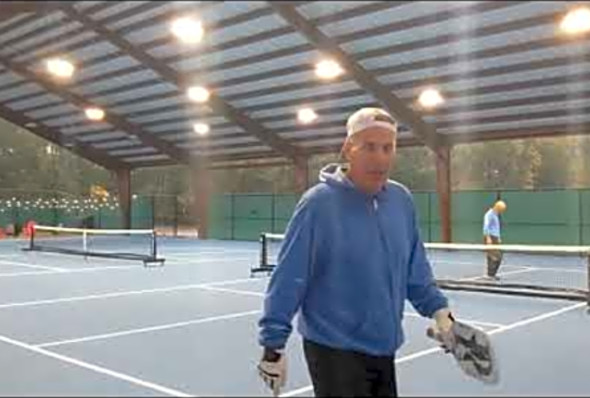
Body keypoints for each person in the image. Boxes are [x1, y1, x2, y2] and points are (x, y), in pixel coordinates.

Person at [257, 107, 456, 397]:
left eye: (388, 148)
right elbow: (289, 277)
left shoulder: (401, 201)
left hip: (384, 347)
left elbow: (415, 268)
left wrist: (440, 311)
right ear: (349, 148)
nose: (380, 157)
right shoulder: (317, 205)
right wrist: (272, 346)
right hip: (333, 350)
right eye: (370, 147)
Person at [482, 200, 507, 280]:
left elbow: (496, 227)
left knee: (498, 256)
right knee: (493, 256)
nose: (501, 211)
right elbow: (486, 226)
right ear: (497, 207)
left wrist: (498, 237)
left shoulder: (496, 215)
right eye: (501, 209)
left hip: (495, 238)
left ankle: (492, 274)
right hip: (490, 238)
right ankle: (490, 275)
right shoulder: (489, 214)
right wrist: (488, 238)